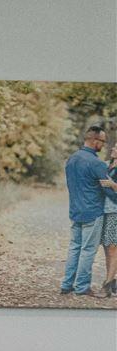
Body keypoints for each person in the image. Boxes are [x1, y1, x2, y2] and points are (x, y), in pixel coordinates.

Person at [67, 125, 117, 298]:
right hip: (94, 212)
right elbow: (103, 188)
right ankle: (82, 287)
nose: (108, 146)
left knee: (77, 248)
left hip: (85, 211)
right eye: (103, 141)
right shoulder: (100, 163)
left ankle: (68, 284)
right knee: (90, 249)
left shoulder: (72, 158)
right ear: (95, 140)